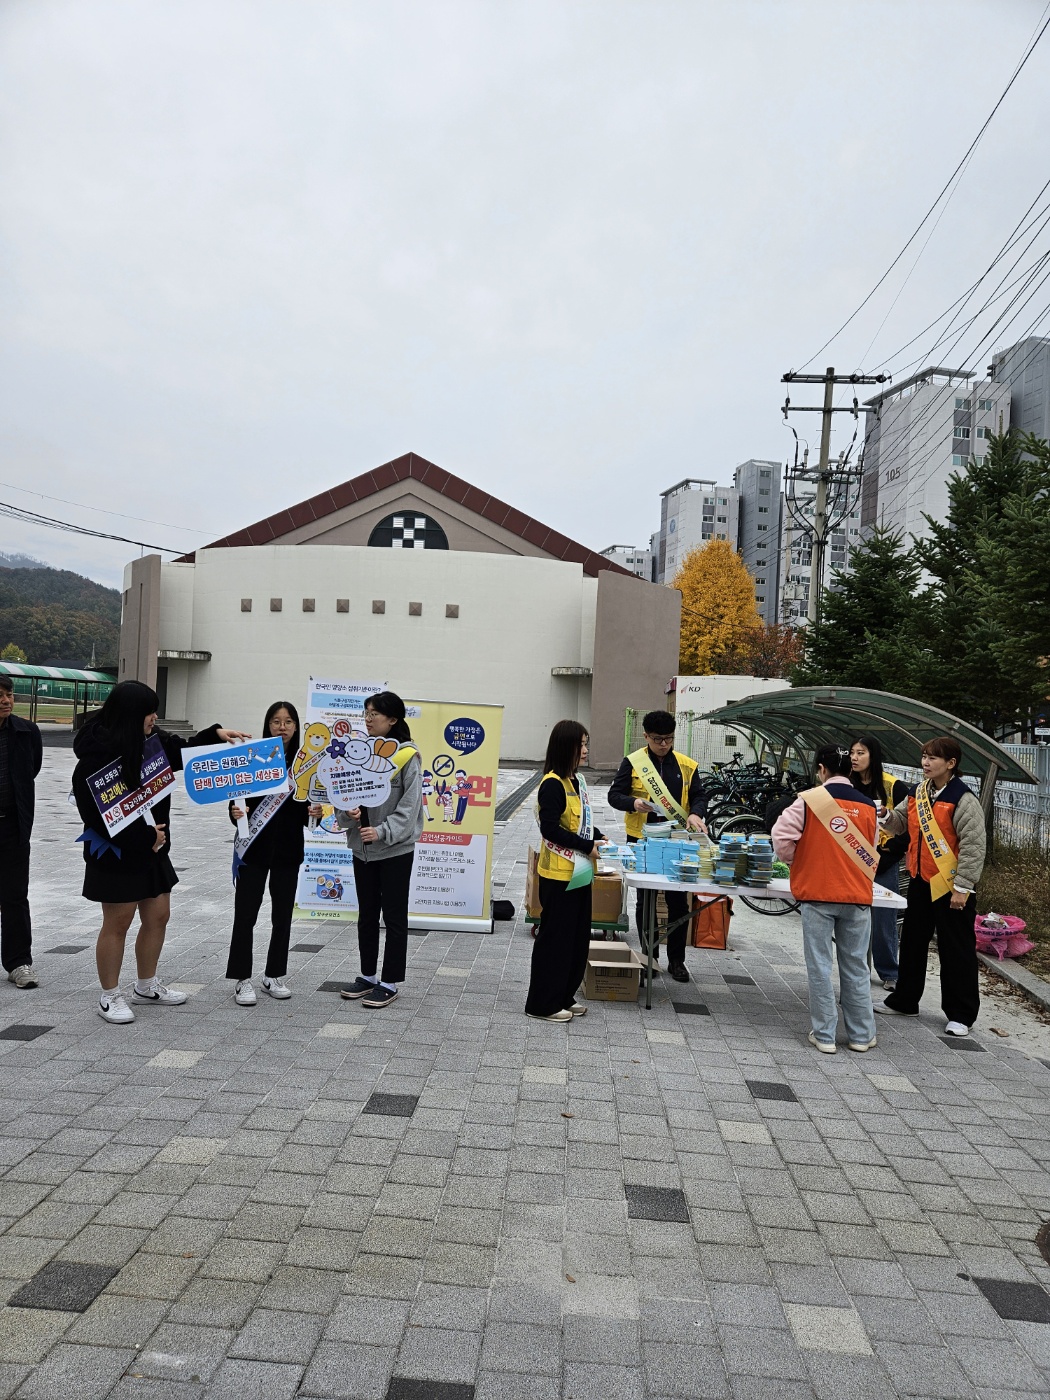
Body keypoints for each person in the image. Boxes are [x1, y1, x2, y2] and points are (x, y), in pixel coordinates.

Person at [72, 680, 248, 1024]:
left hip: (153, 847)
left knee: (158, 915)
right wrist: (143, 838)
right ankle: (109, 995)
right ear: (129, 715)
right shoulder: (95, 754)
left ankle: (146, 984)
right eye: (148, 712)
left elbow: (181, 752)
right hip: (117, 851)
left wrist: (216, 735)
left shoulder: (150, 741)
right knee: (118, 921)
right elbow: (96, 814)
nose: (155, 718)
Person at [875, 736, 986, 1037]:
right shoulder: (917, 793)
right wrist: (885, 816)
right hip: (921, 879)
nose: (925, 762)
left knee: (956, 949)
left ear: (951, 763)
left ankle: (961, 1014)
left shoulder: (963, 798)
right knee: (911, 941)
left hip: (951, 884)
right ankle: (905, 1000)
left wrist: (963, 886)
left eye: (933, 758)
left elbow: (974, 845)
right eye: (924, 756)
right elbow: (900, 822)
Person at [772, 744, 878, 1054]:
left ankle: (825, 1036)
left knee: (819, 966)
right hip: (857, 896)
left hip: (818, 894)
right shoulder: (868, 805)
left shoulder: (808, 801)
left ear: (821, 770)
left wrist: (799, 862)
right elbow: (871, 851)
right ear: (850, 770)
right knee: (857, 967)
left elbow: (781, 838)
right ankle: (861, 1035)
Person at [227, 701, 323, 1006]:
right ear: (267, 725)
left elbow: (311, 815)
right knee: (245, 915)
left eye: (288, 721)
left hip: (288, 850)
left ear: (296, 726)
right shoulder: (254, 759)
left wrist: (316, 813)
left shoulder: (305, 765)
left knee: (282, 916)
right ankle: (243, 979)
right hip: (253, 848)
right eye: (275, 721)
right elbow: (237, 802)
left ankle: (273, 974)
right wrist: (234, 813)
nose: (282, 727)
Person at [337, 691, 424, 1009]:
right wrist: (349, 814)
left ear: (393, 720)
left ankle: (389, 981)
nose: (368, 718)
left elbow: (411, 807)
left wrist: (383, 831)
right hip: (362, 851)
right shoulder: (358, 754)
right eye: (366, 712)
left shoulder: (407, 756)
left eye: (375, 713)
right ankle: (368, 976)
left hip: (395, 851)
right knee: (367, 915)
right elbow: (343, 796)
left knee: (395, 917)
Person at [607, 710, 707, 982]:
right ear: (646, 736)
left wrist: (697, 812)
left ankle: (677, 961)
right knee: (646, 901)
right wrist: (632, 803)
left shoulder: (687, 765)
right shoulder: (633, 762)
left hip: (677, 841)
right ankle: (648, 957)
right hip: (642, 840)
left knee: (678, 902)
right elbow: (614, 795)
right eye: (658, 739)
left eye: (669, 739)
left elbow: (699, 795)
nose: (664, 744)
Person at [526, 719, 604, 1023]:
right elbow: (551, 830)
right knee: (555, 940)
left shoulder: (576, 780)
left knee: (576, 937)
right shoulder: (552, 784)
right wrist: (587, 845)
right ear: (565, 746)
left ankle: (564, 995)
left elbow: (578, 821)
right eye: (580, 744)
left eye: (586, 743)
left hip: (580, 871)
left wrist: (595, 836)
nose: (585, 750)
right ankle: (541, 1003)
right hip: (558, 875)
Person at [850, 735, 910, 991]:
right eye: (852, 752)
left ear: (873, 756)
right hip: (851, 861)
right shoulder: (848, 786)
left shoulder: (893, 787)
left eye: (861, 752)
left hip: (884, 862)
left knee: (884, 919)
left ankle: (889, 972)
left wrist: (885, 859)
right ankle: (855, 969)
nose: (854, 757)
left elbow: (907, 830)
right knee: (852, 917)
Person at [0, 675, 42, 990]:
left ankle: (18, 963)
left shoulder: (27, 732)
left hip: (13, 827)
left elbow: (33, 770)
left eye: (9, 694)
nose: (5, 700)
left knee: (15, 896)